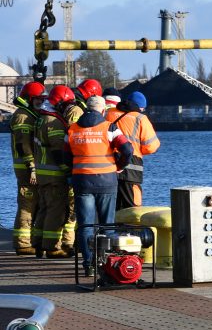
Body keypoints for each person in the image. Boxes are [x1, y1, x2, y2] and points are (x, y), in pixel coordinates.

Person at [65, 95, 133, 276]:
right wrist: (119, 166)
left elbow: (65, 156)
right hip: (106, 180)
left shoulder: (72, 129)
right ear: (103, 110)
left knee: (86, 225)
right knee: (107, 225)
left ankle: (89, 265)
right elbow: (128, 150)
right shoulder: (110, 128)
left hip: (82, 181)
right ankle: (107, 263)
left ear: (86, 109)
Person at [32, 85, 77, 258]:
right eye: (67, 103)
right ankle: (52, 248)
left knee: (44, 209)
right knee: (55, 211)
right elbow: (58, 150)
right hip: (54, 175)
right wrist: (67, 170)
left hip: (42, 173)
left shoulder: (41, 118)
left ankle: (38, 243)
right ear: (59, 102)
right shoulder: (54, 122)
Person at [10, 82, 45, 255]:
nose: (41, 102)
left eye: (42, 99)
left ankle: (31, 240)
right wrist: (32, 167)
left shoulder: (30, 114)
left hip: (31, 167)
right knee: (27, 204)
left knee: (34, 204)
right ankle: (23, 244)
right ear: (29, 99)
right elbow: (23, 145)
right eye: (38, 99)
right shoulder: (23, 116)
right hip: (26, 169)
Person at [108, 91, 159, 209]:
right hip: (132, 166)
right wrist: (139, 150)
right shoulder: (141, 118)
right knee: (133, 208)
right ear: (140, 107)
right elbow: (152, 146)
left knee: (111, 206)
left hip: (109, 164)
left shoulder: (109, 113)